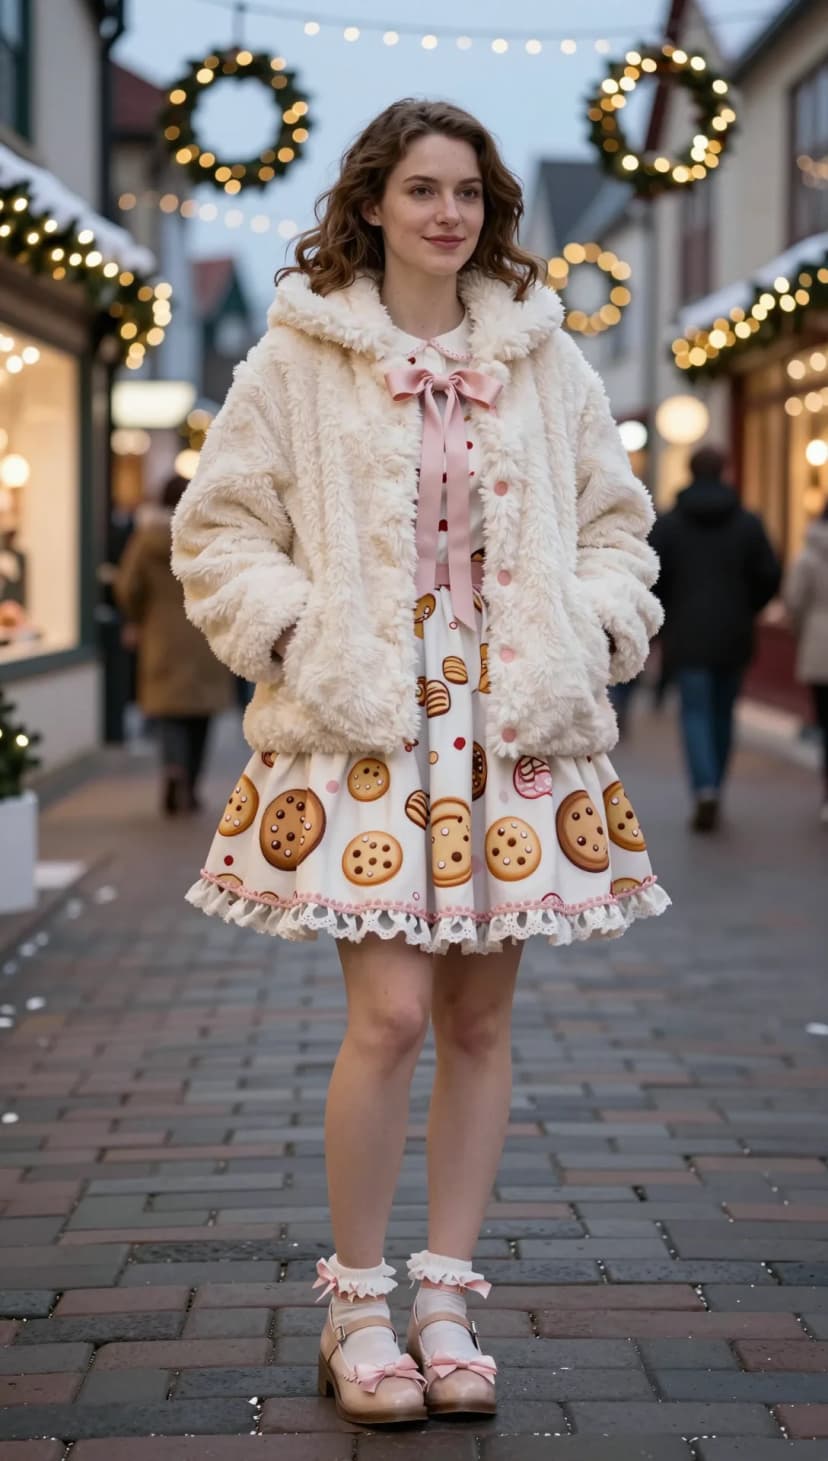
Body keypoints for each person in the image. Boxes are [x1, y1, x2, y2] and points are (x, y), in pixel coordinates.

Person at [170, 99, 669, 1426]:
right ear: (376, 203)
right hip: (370, 722)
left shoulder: (546, 357)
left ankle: (447, 1297)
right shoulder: (299, 357)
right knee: (389, 1018)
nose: (446, 211)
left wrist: (596, 618)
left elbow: (618, 522)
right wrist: (296, 633)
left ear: (487, 210)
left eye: (467, 191)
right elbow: (219, 526)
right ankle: (357, 1303)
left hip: (509, 724)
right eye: (421, 188)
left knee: (482, 1022)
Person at [650, 443, 781, 832]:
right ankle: (716, 785)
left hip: (686, 635)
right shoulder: (748, 523)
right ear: (724, 470)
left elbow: (653, 578)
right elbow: (770, 576)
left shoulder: (670, 524)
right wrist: (748, 608)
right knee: (723, 713)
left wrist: (666, 617)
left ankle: (704, 787)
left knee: (694, 712)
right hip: (734, 633)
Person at [114, 475, 233, 815]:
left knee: (169, 714)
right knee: (201, 716)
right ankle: (192, 785)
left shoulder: (145, 539)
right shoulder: (208, 536)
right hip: (203, 635)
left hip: (160, 636)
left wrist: (137, 617)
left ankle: (173, 770)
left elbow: (127, 586)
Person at [784, 503, 828, 823]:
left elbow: (794, 600)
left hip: (820, 646)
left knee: (825, 724)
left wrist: (804, 632)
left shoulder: (811, 553)